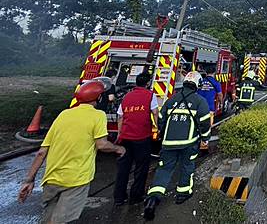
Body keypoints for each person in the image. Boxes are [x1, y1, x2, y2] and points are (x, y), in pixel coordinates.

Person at [18, 80, 125, 223]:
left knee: (48, 219)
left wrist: (29, 180)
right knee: (63, 221)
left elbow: (42, 152)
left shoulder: (64, 115)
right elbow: (102, 145)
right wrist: (119, 148)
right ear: (99, 98)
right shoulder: (97, 115)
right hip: (76, 180)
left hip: (51, 179)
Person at [144, 71, 210, 220]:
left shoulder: (171, 100)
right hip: (189, 143)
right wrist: (205, 138)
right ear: (198, 85)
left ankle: (153, 198)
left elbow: (161, 119)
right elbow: (205, 122)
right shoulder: (199, 101)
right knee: (187, 166)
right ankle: (183, 193)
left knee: (164, 169)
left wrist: (163, 133)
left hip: (168, 143)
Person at [113, 72, 158, 206]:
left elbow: (120, 116)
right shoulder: (150, 95)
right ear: (148, 83)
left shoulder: (127, 96)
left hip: (125, 138)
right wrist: (158, 127)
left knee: (123, 169)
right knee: (141, 168)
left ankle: (119, 198)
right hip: (142, 137)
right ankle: (136, 197)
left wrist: (119, 134)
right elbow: (155, 113)